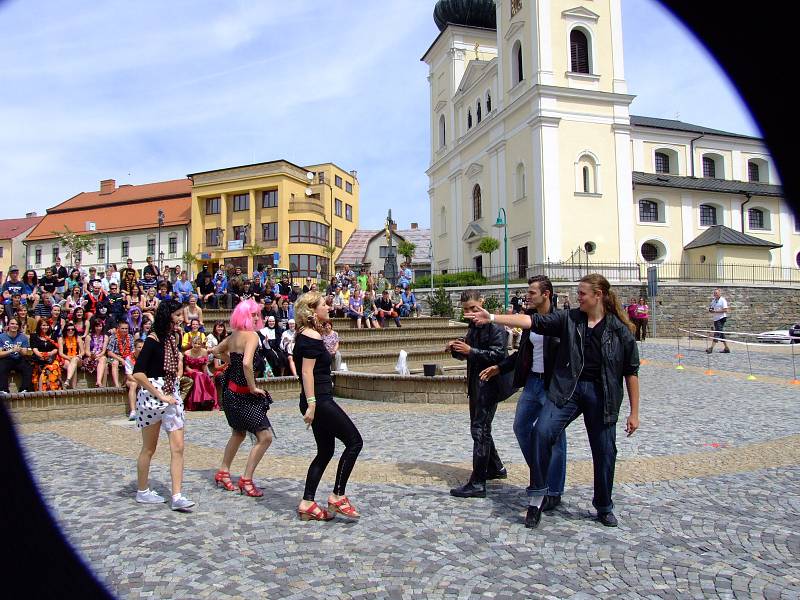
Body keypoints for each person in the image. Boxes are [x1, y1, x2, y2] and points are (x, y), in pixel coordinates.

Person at [465, 273, 640, 529]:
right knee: (541, 432)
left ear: (598, 296)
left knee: (604, 452)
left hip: (602, 395)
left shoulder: (619, 331)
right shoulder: (570, 319)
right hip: (568, 390)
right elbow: (530, 321)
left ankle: (604, 506)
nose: (577, 297)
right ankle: (537, 497)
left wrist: (634, 413)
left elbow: (631, 372)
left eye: (582, 293)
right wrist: (492, 317)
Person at [479, 276, 567, 511]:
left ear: (546, 294)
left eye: (532, 292)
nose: (527, 296)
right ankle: (540, 474)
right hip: (532, 383)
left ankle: (554, 490)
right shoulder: (532, 322)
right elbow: (522, 354)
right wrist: (500, 367)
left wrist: (493, 317)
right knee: (521, 427)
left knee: (555, 438)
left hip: (552, 386)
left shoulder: (559, 320)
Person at [293, 291, 363, 521]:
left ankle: (307, 502)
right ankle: (337, 496)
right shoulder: (311, 335)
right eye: (324, 304)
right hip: (320, 400)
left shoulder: (306, 333)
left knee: (326, 451)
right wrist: (312, 405)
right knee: (354, 442)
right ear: (313, 310)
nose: (329, 307)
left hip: (317, 398)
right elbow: (306, 372)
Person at [132, 299, 194, 511]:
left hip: (171, 394)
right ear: (167, 315)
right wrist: (160, 395)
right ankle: (142, 490)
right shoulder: (152, 340)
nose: (180, 319)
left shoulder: (172, 338)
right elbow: (138, 373)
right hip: (153, 397)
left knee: (178, 447)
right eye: (177, 315)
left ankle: (177, 495)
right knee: (149, 448)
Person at [446, 290, 508, 498]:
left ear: (482, 302)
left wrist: (470, 350)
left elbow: (499, 355)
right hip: (476, 384)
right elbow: (468, 354)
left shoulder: (495, 326)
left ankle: (478, 482)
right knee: (481, 428)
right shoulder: (473, 327)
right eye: (466, 310)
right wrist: (456, 348)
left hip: (489, 384)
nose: (470, 313)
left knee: (480, 430)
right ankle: (495, 467)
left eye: (473, 308)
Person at [207, 299, 273, 497]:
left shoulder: (234, 336)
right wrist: (253, 387)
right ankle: (246, 479)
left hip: (231, 393)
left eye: (256, 314)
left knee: (238, 433)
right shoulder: (251, 336)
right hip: (243, 394)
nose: (256, 317)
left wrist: (230, 362)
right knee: (265, 437)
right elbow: (246, 364)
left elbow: (216, 351)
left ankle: (224, 472)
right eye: (252, 314)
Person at [183, 335, 218, 411]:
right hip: (190, 371)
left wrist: (207, 375)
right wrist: (192, 371)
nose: (197, 345)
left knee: (204, 378)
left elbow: (204, 366)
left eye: (199, 343)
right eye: (195, 343)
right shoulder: (187, 353)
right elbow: (186, 367)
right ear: (192, 344)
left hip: (201, 372)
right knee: (198, 375)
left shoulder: (204, 351)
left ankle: (204, 401)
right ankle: (196, 402)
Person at [0, 317, 33, 393]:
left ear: (19, 326)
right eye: (12, 323)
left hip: (19, 359)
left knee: (28, 367)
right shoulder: (1, 337)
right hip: (6, 359)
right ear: (8, 325)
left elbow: (24, 353)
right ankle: (3, 390)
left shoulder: (23, 337)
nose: (14, 326)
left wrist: (20, 350)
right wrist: (11, 350)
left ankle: (24, 389)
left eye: (16, 324)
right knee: (1, 366)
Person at [30, 319, 62, 391]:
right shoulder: (34, 336)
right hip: (38, 358)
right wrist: (41, 355)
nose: (46, 327)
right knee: (44, 370)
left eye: (47, 325)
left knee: (52, 366)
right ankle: (42, 390)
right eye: (43, 325)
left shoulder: (53, 335)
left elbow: (56, 348)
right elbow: (34, 348)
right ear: (39, 326)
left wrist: (49, 353)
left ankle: (54, 389)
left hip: (50, 358)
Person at [107, 321, 136, 392]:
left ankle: (125, 382)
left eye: (126, 328)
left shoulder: (130, 337)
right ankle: (117, 385)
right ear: (118, 329)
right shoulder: (113, 337)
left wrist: (128, 359)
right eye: (122, 328)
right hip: (114, 357)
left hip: (127, 356)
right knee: (115, 363)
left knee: (133, 362)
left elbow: (132, 350)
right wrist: (121, 359)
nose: (124, 330)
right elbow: (109, 352)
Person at [83, 318, 109, 387]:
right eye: (97, 326)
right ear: (94, 327)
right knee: (100, 359)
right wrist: (92, 356)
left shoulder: (105, 337)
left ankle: (98, 381)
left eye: (100, 326)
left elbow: (103, 351)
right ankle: (98, 382)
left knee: (103, 359)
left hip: (100, 356)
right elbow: (87, 351)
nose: (98, 328)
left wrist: (98, 356)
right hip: (90, 357)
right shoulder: (88, 337)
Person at [58, 321, 84, 390]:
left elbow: (83, 352)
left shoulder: (78, 338)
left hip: (77, 358)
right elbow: (61, 353)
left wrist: (77, 356)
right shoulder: (61, 339)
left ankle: (68, 380)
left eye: (72, 329)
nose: (70, 331)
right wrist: (69, 358)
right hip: (66, 358)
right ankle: (74, 387)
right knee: (72, 364)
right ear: (65, 330)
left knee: (74, 360)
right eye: (68, 329)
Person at [706, 288, 730, 353]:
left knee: (717, 333)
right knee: (721, 333)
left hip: (721, 318)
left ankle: (711, 348)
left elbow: (726, 310)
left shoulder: (723, 300)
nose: (715, 294)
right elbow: (711, 308)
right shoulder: (713, 301)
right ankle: (726, 348)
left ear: (719, 293)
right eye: (714, 293)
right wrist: (710, 310)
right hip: (716, 319)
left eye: (716, 293)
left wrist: (716, 311)